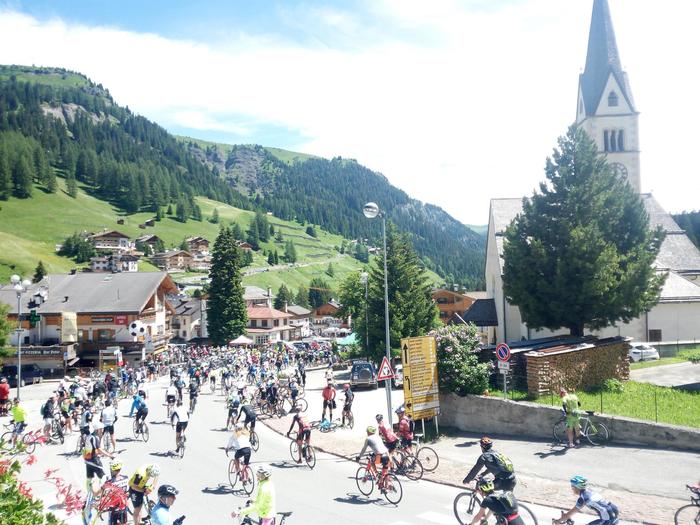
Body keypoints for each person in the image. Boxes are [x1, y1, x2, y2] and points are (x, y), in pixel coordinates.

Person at [554, 476, 619, 525]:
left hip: (607, 519)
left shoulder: (583, 498)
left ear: (576, 487)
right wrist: (567, 516)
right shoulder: (589, 491)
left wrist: (558, 521)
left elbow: (571, 513)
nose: (572, 489)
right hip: (614, 513)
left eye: (572, 486)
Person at [83, 427, 115, 496]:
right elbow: (99, 449)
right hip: (94, 460)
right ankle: (101, 494)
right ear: (97, 429)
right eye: (101, 429)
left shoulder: (88, 436)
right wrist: (109, 455)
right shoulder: (94, 438)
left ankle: (89, 495)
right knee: (104, 477)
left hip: (87, 460)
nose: (102, 430)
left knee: (89, 478)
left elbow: (92, 449)